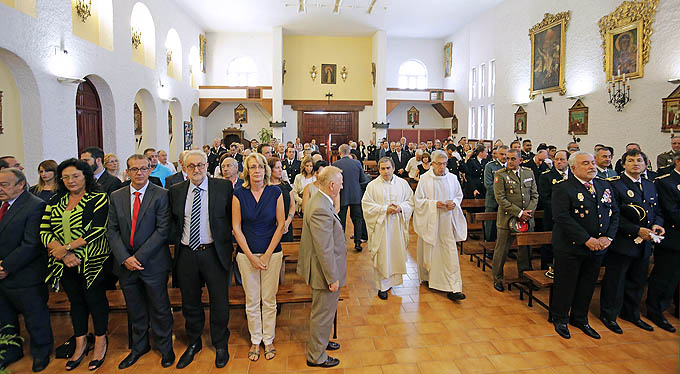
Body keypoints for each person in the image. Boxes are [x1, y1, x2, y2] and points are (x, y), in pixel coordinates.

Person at [41, 158, 110, 371]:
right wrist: (62, 254)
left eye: (76, 176)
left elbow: (98, 229)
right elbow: (44, 230)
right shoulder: (55, 200)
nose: (71, 180)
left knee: (95, 301)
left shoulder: (98, 198)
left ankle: (100, 342)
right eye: (66, 177)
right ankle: (80, 343)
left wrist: (67, 247)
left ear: (85, 176)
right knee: (76, 302)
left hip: (92, 261)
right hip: (64, 262)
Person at [107, 154, 175, 369]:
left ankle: (165, 348)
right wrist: (125, 258)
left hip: (153, 262)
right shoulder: (116, 196)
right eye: (134, 169)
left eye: (144, 168)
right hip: (126, 264)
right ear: (127, 172)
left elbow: (163, 230)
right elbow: (112, 230)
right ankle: (139, 347)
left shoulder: (161, 195)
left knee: (160, 308)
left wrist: (139, 257)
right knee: (135, 309)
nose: (139, 173)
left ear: (149, 170)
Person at [167, 150, 233, 369]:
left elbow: (231, 218)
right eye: (191, 166)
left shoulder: (222, 187)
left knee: (219, 300)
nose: (197, 169)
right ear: (184, 168)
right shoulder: (175, 191)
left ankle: (220, 342)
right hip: (187, 253)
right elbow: (173, 222)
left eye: (200, 165)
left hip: (214, 252)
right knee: (190, 302)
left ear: (207, 165)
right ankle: (194, 341)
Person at [550, 151, 619, 340]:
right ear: (573, 168)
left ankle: (580, 318)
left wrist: (608, 238)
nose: (592, 166)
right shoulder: (563, 188)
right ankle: (561, 318)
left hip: (598, 247)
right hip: (571, 246)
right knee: (566, 284)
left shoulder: (604, 185)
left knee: (587, 285)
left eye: (592, 163)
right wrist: (586, 240)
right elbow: (561, 217)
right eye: (586, 163)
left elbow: (614, 213)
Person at [600, 149, 664, 335]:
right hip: (623, 242)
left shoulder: (650, 185)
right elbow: (614, 215)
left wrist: (658, 226)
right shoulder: (615, 184)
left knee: (637, 280)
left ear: (645, 164)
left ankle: (631, 313)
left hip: (645, 243)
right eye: (631, 160)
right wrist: (636, 230)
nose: (635, 163)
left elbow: (656, 212)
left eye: (639, 160)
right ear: (624, 164)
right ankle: (609, 315)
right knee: (616, 280)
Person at [232, 153, 285, 362]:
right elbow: (236, 227)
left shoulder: (275, 192)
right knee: (252, 300)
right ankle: (256, 339)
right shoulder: (239, 193)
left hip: (272, 253)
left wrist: (267, 254)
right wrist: (251, 256)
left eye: (260, 167)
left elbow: (281, 224)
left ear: (266, 170)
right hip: (246, 255)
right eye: (252, 167)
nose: (257, 171)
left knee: (269, 300)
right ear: (247, 171)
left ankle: (268, 338)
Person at [0, 168, 53, 373]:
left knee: (35, 316)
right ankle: (10, 351)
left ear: (21, 184)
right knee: (4, 317)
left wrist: (5, 267)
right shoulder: (2, 204)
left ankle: (41, 353)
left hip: (25, 274)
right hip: (3, 275)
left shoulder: (35, 206)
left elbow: (31, 244)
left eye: (4, 184)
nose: (0, 189)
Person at [296, 166, 346, 368]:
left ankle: (322, 342)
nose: (342, 186)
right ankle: (317, 356)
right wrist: (332, 278)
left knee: (325, 312)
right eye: (340, 183)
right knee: (322, 314)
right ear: (332, 185)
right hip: (323, 271)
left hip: (324, 268)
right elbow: (324, 248)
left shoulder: (320, 200)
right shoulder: (320, 208)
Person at [413, 150, 467, 302]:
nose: (442, 167)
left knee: (449, 252)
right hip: (431, 222)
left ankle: (453, 287)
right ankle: (430, 278)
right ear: (432, 164)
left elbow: (458, 195)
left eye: (444, 164)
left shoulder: (452, 178)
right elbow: (418, 201)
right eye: (439, 164)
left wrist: (454, 203)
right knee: (431, 251)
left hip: (447, 222)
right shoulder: (424, 179)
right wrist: (434, 204)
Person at [362, 157, 414, 300]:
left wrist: (401, 208)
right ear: (379, 170)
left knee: (395, 254)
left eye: (388, 168)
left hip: (397, 227)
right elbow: (366, 205)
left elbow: (410, 201)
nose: (386, 171)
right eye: (383, 168)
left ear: (393, 168)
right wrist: (385, 209)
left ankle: (392, 282)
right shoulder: (372, 186)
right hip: (381, 228)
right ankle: (382, 286)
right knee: (383, 255)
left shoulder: (403, 184)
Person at [491, 149, 539, 292]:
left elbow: (535, 195)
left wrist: (528, 213)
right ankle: (498, 278)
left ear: (520, 160)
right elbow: (500, 199)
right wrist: (519, 213)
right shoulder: (500, 174)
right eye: (508, 159)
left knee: (525, 250)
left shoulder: (528, 173)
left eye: (513, 159)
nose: (510, 162)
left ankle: (524, 276)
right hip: (507, 219)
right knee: (502, 250)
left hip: (527, 219)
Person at [646, 151, 680, 332]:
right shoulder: (665, 181)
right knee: (665, 276)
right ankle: (655, 310)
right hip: (672, 237)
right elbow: (671, 210)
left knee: (676, 278)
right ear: (678, 162)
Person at [333, 144, 369, 252]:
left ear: (340, 153)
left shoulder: (335, 164)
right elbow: (363, 179)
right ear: (349, 152)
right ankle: (358, 242)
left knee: (341, 220)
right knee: (357, 219)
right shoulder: (357, 163)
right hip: (356, 195)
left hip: (342, 195)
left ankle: (341, 243)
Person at [538, 150, 570, 270]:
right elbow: (545, 198)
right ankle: (545, 269)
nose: (559, 162)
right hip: (552, 217)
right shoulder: (546, 176)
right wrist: (561, 211)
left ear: (568, 161)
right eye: (556, 160)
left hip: (571, 218)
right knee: (548, 245)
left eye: (562, 160)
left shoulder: (573, 175)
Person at [483, 145, 508, 242]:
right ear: (496, 154)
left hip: (507, 203)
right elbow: (489, 185)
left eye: (506, 154)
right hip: (493, 201)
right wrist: (502, 197)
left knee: (504, 227)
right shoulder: (490, 166)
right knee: (491, 226)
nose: (504, 157)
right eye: (501, 154)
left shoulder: (510, 166)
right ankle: (489, 245)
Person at [268, 157, 296, 243]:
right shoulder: (266, 186)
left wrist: (287, 222)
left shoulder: (286, 185)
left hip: (286, 225)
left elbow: (292, 206)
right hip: (270, 226)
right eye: (277, 168)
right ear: (270, 170)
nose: (280, 170)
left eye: (281, 167)